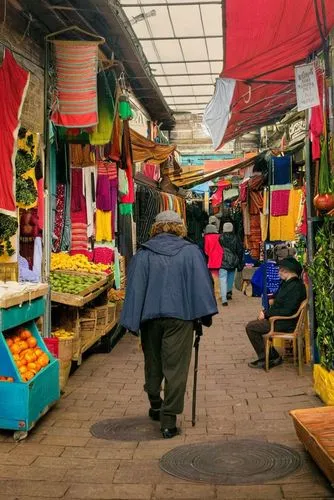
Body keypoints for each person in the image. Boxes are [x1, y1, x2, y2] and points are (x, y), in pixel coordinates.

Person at [120, 210, 218, 438]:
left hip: (150, 319)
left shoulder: (144, 254)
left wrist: (132, 322)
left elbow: (134, 289)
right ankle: (168, 421)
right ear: (179, 227)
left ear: (156, 227)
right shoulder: (191, 252)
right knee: (175, 368)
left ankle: (155, 402)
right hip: (181, 318)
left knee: (153, 363)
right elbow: (202, 285)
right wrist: (204, 317)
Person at [246, 257, 307, 370]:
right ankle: (272, 355)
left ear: (286, 271)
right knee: (256, 324)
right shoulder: (289, 284)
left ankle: (267, 357)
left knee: (251, 327)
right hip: (281, 320)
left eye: (280, 270)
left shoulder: (295, 287)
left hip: (284, 322)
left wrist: (266, 314)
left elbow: (288, 310)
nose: (278, 273)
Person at [219, 222, 244, 306]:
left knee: (222, 279)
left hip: (222, 260)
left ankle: (224, 299)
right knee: (230, 277)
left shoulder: (220, 238)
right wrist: (240, 260)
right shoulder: (236, 237)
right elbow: (240, 250)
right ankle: (228, 292)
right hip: (233, 260)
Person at [203, 222, 223, 301]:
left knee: (214, 277)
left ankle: (216, 293)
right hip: (220, 258)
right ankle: (221, 293)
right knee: (221, 276)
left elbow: (206, 250)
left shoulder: (206, 237)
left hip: (212, 259)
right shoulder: (220, 236)